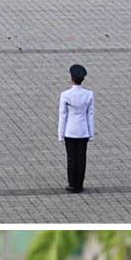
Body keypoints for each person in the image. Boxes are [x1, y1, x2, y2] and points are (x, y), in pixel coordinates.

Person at [58, 63, 94, 194]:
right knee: (81, 157)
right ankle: (80, 183)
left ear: (71, 78)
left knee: (71, 158)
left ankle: (72, 183)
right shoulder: (89, 94)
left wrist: (60, 134)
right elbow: (90, 114)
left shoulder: (66, 95)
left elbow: (63, 115)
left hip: (70, 130)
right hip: (83, 130)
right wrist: (91, 133)